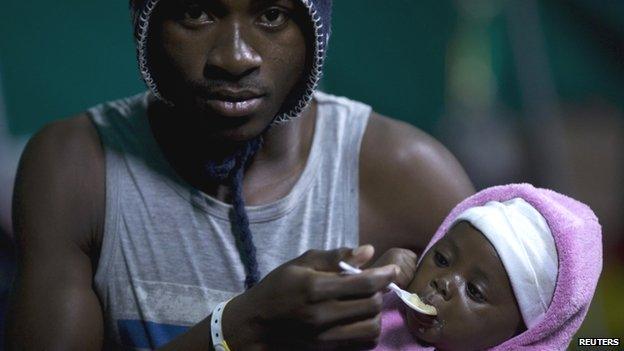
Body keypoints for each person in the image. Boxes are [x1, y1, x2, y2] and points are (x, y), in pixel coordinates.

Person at [6, 0, 473, 350]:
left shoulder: (407, 176)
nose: (234, 58)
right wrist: (238, 329)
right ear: (145, 26)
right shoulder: (78, 168)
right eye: (195, 12)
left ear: (315, 33)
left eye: (271, 15)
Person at [374, 183, 602, 350]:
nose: (443, 283)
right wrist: (370, 290)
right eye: (442, 259)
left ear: (520, 335)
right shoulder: (384, 314)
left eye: (474, 290)